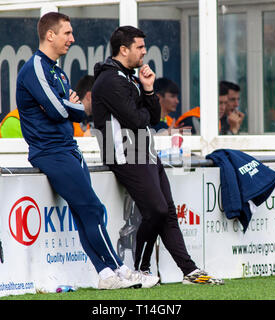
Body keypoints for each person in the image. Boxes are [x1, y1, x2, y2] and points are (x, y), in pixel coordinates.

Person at [15, 12, 157, 290]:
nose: (72, 38)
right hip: (51, 152)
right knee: (93, 209)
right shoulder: (35, 68)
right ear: (50, 35)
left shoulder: (58, 70)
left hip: (69, 148)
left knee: (84, 214)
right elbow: (59, 111)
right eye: (67, 33)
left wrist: (66, 106)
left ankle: (104, 273)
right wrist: (65, 105)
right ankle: (119, 268)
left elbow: (80, 112)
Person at [92, 25, 224, 285]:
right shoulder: (109, 81)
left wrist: (149, 89)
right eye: (140, 47)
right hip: (124, 154)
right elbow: (138, 121)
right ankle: (141, 269)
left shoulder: (130, 77)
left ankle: (190, 271)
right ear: (123, 49)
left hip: (145, 151)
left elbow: (152, 117)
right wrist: (141, 114)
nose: (144, 52)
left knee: (167, 212)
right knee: (156, 210)